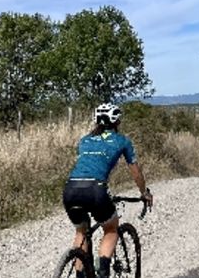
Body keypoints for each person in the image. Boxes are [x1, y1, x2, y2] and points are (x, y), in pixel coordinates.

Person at [62, 103, 153, 278]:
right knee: (111, 229)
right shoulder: (122, 141)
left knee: (81, 231)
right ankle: (103, 273)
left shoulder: (84, 140)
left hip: (70, 189)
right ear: (116, 121)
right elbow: (135, 171)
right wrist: (144, 193)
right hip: (96, 190)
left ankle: (80, 274)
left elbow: (87, 166)